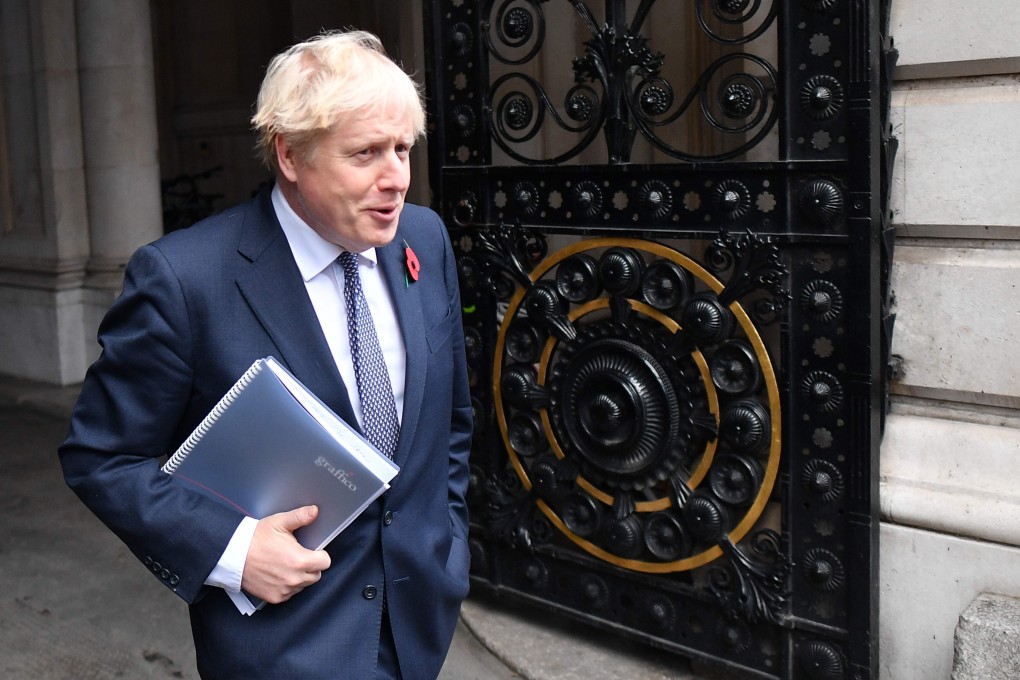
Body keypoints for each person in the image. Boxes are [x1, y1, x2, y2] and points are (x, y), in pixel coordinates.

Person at [59, 30, 472, 680]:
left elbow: (450, 421)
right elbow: (101, 459)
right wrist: (234, 549)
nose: (396, 178)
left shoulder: (424, 238)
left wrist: (449, 548)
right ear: (290, 153)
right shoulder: (185, 279)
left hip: (419, 627)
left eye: (402, 148)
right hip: (282, 650)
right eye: (365, 153)